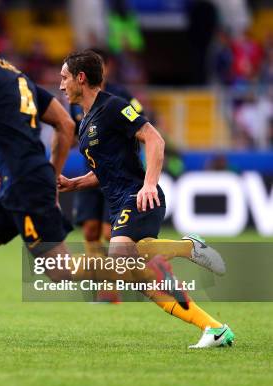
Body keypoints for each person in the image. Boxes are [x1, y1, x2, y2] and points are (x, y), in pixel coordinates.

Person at [0, 26, 192, 363]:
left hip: (21, 181)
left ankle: (146, 272)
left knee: (59, 269)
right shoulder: (16, 75)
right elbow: (65, 124)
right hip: (20, 182)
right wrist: (51, 172)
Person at [57, 50, 234, 349]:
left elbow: (155, 139)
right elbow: (106, 171)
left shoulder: (113, 107)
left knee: (118, 260)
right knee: (146, 283)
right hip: (119, 204)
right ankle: (214, 328)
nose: (61, 85)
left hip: (137, 197)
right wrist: (74, 184)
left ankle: (188, 247)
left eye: (64, 78)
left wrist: (149, 184)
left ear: (81, 78)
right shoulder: (86, 122)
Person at [69, 47, 143, 303]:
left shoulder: (120, 98)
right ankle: (104, 286)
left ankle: (111, 288)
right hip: (90, 170)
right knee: (90, 230)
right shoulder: (77, 103)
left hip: (117, 174)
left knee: (110, 232)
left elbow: (141, 126)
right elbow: (73, 134)